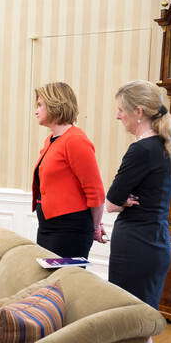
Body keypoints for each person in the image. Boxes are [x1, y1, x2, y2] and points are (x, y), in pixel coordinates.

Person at [106, 79, 171, 343]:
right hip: (156, 243)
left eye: (121, 111)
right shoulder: (167, 146)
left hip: (135, 247)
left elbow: (110, 200)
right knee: (140, 328)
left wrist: (122, 201)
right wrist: (125, 200)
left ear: (138, 112)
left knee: (134, 330)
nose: (118, 116)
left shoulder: (140, 149)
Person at [31, 82, 106, 258]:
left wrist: (95, 226)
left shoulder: (75, 140)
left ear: (55, 105)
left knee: (63, 284)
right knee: (48, 283)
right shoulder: (51, 139)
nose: (36, 111)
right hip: (48, 226)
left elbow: (95, 191)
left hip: (70, 229)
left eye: (40, 105)